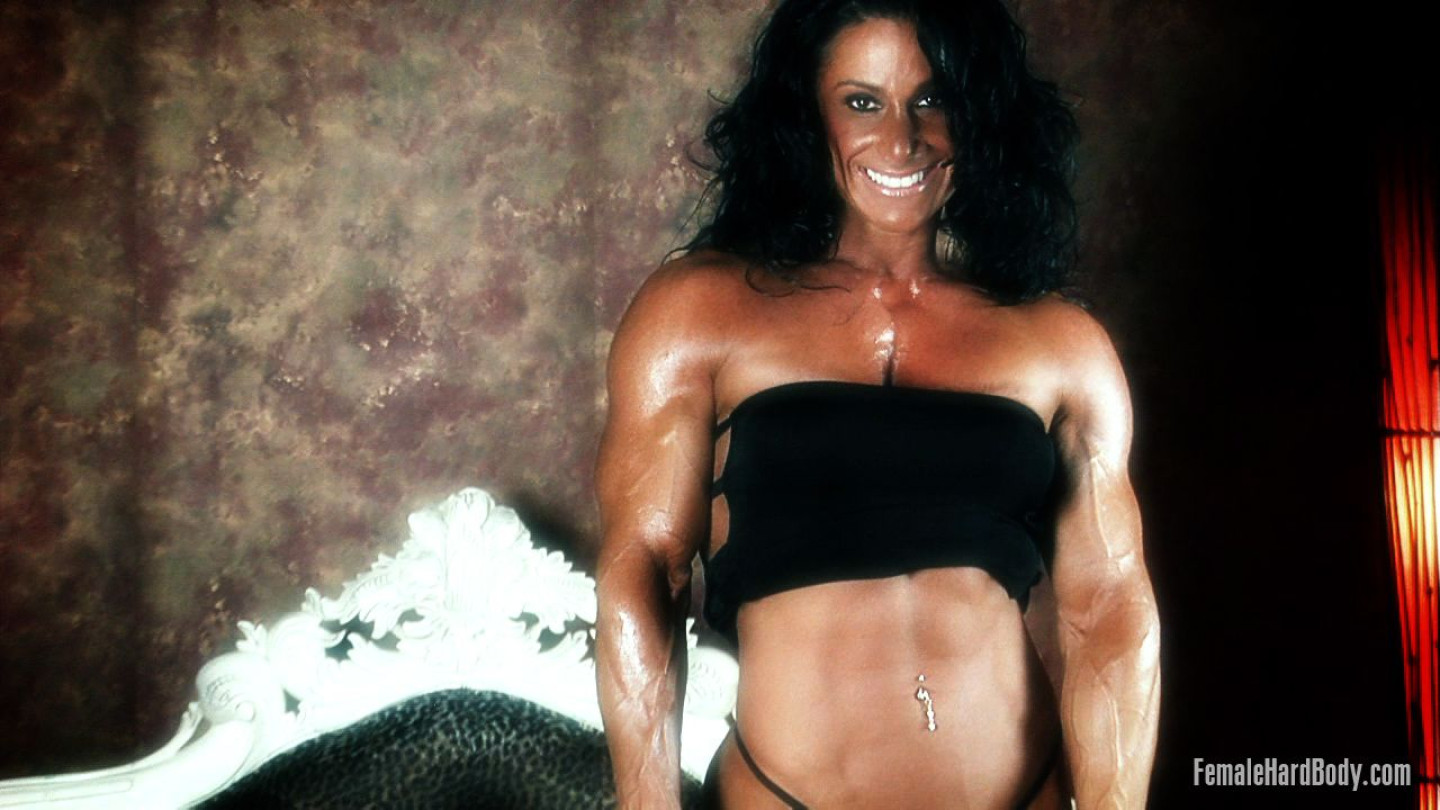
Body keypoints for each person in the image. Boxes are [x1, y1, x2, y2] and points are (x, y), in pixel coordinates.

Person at [594, 0, 1160, 807]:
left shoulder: (1061, 342)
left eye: (932, 99)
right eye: (862, 102)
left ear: (979, 114)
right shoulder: (700, 309)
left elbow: (1110, 609)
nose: (902, 139)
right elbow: (644, 571)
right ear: (806, 114)